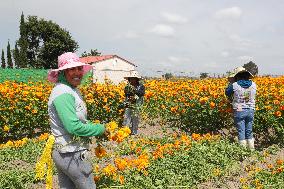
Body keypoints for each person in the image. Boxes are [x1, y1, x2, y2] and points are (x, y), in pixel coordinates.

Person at [47, 52, 105, 189]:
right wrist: (101, 129)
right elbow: (73, 127)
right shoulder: (63, 92)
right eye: (72, 69)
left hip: (66, 152)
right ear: (63, 72)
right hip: (71, 153)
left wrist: (92, 126)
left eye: (79, 68)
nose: (77, 72)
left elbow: (80, 121)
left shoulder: (69, 89)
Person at [225, 67, 257, 150]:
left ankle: (242, 150)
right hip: (250, 109)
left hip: (239, 109)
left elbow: (227, 93)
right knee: (249, 130)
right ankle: (251, 149)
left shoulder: (235, 85)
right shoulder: (254, 84)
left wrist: (231, 83)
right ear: (247, 76)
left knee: (241, 130)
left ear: (237, 76)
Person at [123, 70, 145, 135]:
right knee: (126, 117)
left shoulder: (141, 86)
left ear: (136, 79)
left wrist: (134, 95)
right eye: (131, 79)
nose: (132, 80)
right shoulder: (127, 86)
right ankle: (125, 131)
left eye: (133, 79)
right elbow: (126, 93)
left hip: (137, 104)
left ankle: (134, 132)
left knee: (135, 118)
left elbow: (141, 93)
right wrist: (130, 97)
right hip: (128, 103)